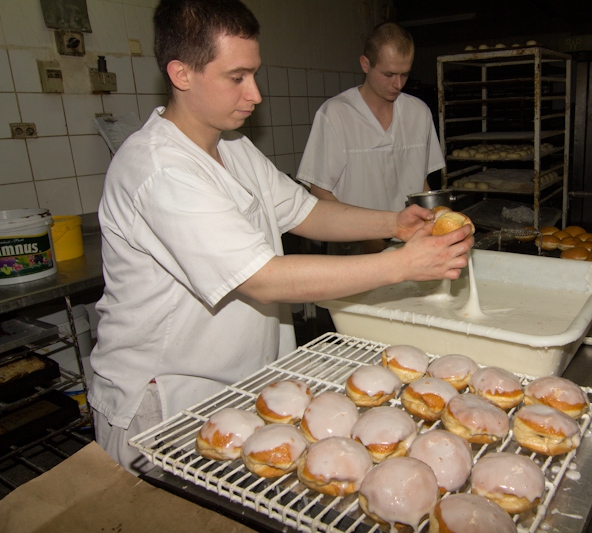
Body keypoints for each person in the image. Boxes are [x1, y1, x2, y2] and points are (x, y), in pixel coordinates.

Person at [88, 0, 473, 476]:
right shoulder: (159, 169)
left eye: (254, 74)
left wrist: (394, 224)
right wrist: (403, 264)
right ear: (181, 74)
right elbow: (263, 279)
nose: (255, 94)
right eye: (237, 77)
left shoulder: (232, 147)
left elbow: (307, 211)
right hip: (169, 401)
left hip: (239, 389)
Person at [296, 22, 445, 254]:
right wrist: (366, 236)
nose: (398, 84)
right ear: (365, 64)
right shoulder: (336, 114)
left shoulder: (419, 113)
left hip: (409, 246)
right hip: (352, 251)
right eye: (389, 74)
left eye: (405, 74)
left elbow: (421, 182)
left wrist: (436, 223)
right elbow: (320, 191)